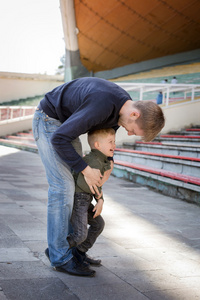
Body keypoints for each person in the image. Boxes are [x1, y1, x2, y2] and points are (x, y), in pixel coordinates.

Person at [32, 77, 165, 277]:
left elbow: (104, 145)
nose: (129, 134)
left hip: (65, 127)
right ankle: (59, 256)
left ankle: (72, 252)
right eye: (134, 130)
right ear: (135, 114)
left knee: (74, 188)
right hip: (49, 122)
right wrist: (85, 168)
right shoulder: (103, 104)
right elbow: (59, 138)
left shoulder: (122, 110)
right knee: (63, 188)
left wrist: (102, 186)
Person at [67, 128, 116, 267]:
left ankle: (80, 253)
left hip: (86, 199)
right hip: (79, 199)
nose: (114, 145)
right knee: (80, 235)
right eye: (110, 142)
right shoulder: (93, 161)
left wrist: (100, 199)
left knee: (98, 224)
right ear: (97, 145)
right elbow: (87, 184)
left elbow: (96, 183)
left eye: (114, 141)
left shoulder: (100, 160)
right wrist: (99, 199)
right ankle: (57, 249)